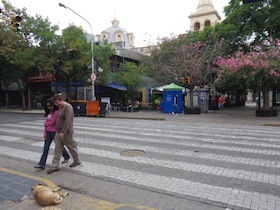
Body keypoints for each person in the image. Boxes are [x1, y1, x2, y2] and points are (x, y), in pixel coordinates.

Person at [47, 94, 81, 174]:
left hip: (66, 132)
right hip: (59, 132)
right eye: (55, 103)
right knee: (57, 149)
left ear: (61, 100)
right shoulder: (61, 107)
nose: (56, 104)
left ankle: (77, 161)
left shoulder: (68, 107)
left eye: (57, 102)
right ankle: (54, 166)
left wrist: (63, 132)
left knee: (72, 147)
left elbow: (67, 121)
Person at [34, 99, 70, 170]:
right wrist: (45, 132)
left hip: (54, 132)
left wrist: (46, 124)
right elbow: (46, 125)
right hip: (48, 132)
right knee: (45, 149)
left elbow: (52, 122)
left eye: (50, 105)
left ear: (53, 105)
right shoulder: (48, 114)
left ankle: (66, 156)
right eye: (47, 106)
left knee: (59, 146)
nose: (48, 107)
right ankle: (41, 164)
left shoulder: (56, 113)